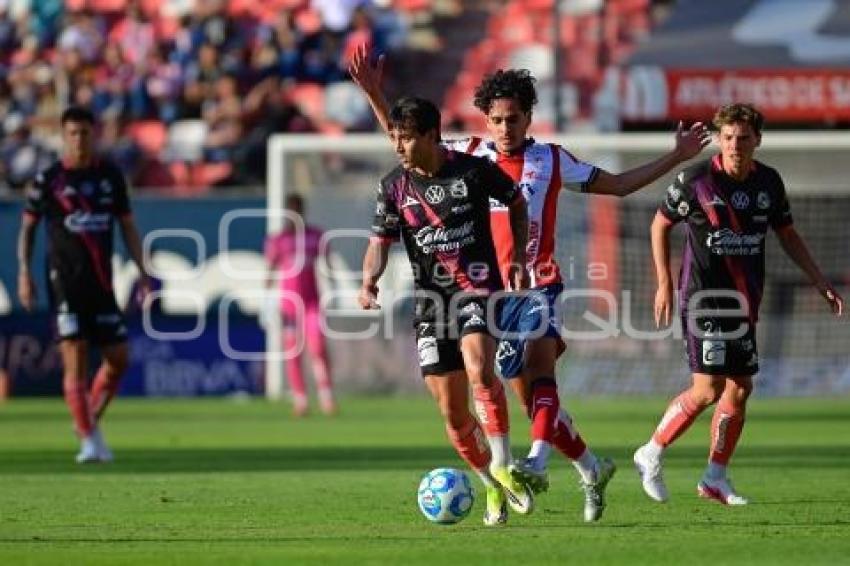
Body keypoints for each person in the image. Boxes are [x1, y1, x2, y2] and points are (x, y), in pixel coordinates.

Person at [349, 47, 710, 521]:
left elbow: (620, 185)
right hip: (470, 292)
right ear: (485, 119)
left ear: (528, 117)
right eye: (496, 119)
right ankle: (589, 466)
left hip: (533, 283)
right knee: (522, 400)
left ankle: (531, 464)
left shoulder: (552, 160)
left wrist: (676, 156)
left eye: (514, 118)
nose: (505, 128)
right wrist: (377, 95)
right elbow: (409, 145)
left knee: (533, 376)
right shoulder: (468, 155)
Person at [634, 103, 844, 505]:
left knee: (741, 388)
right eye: (728, 137)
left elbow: (787, 233)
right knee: (709, 389)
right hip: (704, 297)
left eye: (743, 138)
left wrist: (819, 280)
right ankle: (651, 451)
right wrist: (663, 283)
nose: (735, 145)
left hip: (745, 299)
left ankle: (715, 477)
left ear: (757, 141)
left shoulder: (768, 182)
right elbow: (660, 223)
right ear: (719, 139)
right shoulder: (695, 179)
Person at [360, 95, 535, 526]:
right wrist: (369, 280)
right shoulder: (392, 187)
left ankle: (503, 464)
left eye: (406, 138)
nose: (398, 146)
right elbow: (378, 243)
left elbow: (515, 201)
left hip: (477, 289)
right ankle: (490, 485)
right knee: (453, 414)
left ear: (431, 135)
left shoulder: (473, 171)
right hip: (430, 304)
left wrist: (515, 259)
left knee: (479, 367)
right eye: (395, 138)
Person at [16, 106, 151, 464]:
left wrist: (143, 271)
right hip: (65, 284)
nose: (79, 140)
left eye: (85, 133)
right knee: (74, 356)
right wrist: (25, 273)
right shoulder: (49, 181)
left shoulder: (110, 177)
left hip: (102, 283)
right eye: (72, 134)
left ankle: (87, 423)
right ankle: (90, 442)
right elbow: (27, 230)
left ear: (95, 135)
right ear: (64, 136)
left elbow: (128, 227)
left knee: (118, 359)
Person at [265, 193, 336, 417]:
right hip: (289, 306)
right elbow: (269, 272)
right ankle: (301, 400)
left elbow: (328, 265)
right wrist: (266, 302)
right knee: (293, 353)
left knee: (317, 348)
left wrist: (333, 288)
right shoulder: (278, 240)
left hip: (312, 302)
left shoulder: (316, 236)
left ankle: (326, 397)